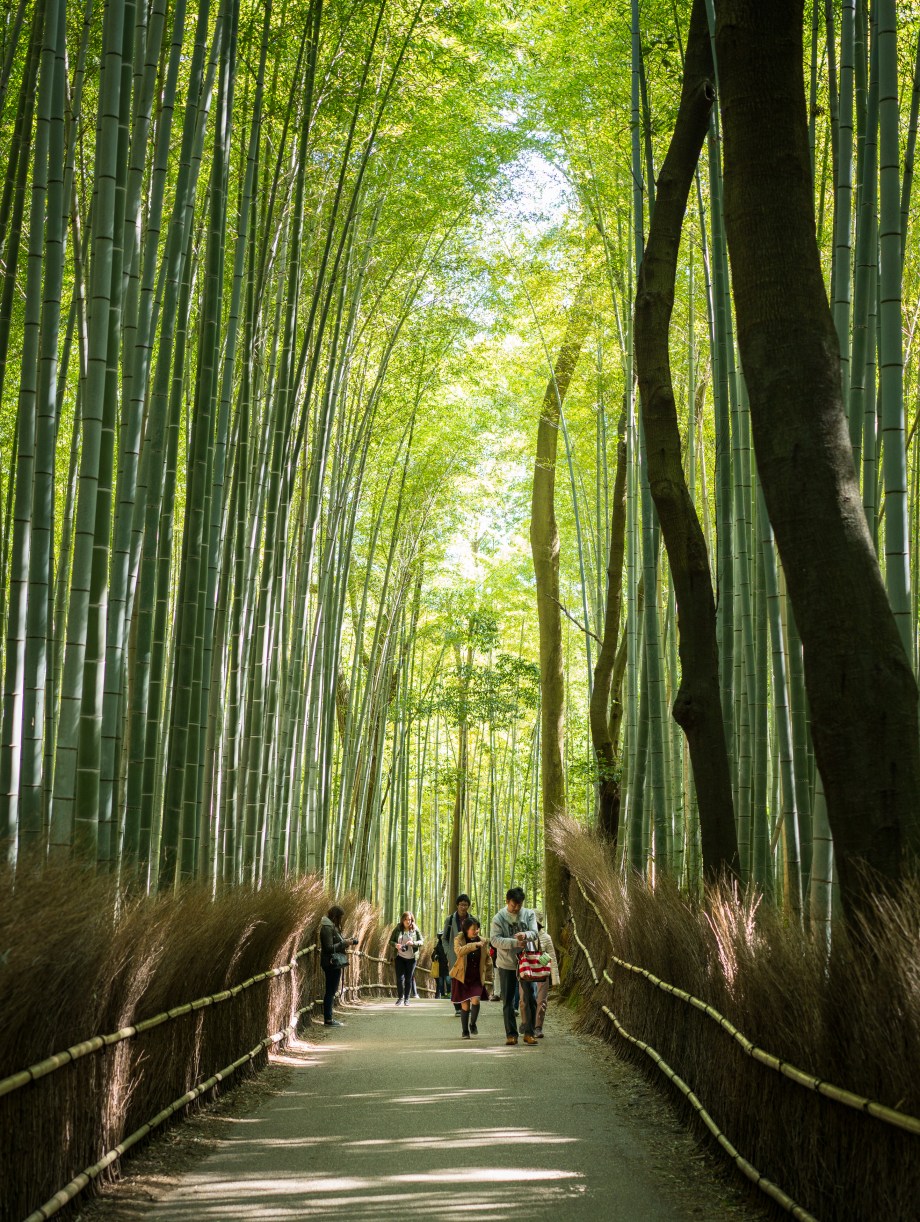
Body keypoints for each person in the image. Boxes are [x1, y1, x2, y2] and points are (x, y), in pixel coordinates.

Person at [490, 886, 538, 1046]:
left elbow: (535, 933)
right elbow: (495, 940)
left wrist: (526, 935)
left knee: (530, 997)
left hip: (526, 962)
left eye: (519, 905)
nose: (516, 908)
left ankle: (529, 1032)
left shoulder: (529, 914)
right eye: (513, 905)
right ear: (507, 901)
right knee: (508, 1000)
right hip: (506, 963)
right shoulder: (499, 918)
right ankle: (511, 1034)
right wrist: (514, 942)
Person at [449, 916, 490, 1039]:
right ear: (467, 929)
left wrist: (487, 970)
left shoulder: (482, 941)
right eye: (474, 928)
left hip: (476, 976)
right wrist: (474, 945)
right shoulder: (459, 939)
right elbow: (459, 952)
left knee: (476, 1000)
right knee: (465, 1005)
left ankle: (473, 1024)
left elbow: (487, 958)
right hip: (463, 976)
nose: (476, 931)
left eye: (478, 928)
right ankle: (465, 1031)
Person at [319, 905, 358, 1028]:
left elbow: (334, 944)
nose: (341, 920)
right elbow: (328, 948)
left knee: (331, 991)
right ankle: (328, 1019)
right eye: (340, 917)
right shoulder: (327, 928)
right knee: (330, 991)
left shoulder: (331, 927)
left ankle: (329, 1018)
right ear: (335, 916)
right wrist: (344, 943)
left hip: (333, 963)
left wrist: (346, 941)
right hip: (330, 963)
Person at [442, 893, 471, 1015]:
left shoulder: (472, 920)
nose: (463, 907)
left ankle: (466, 1006)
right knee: (456, 981)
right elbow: (444, 938)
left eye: (465, 905)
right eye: (461, 905)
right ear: (457, 906)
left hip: (468, 953)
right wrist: (448, 952)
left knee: (467, 981)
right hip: (454, 954)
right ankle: (457, 1007)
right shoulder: (450, 919)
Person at [533, 911, 560, 1039]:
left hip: (543, 972)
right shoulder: (524, 935)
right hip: (527, 972)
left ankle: (538, 1027)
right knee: (526, 999)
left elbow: (552, 958)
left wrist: (555, 980)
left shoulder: (546, 937)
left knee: (541, 1000)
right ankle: (527, 1024)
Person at [390, 911, 423, 1005]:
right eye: (406, 919)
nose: (408, 921)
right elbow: (390, 941)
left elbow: (421, 941)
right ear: (402, 920)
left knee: (408, 979)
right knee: (400, 979)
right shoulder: (398, 928)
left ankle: (407, 999)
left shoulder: (415, 929)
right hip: (399, 957)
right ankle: (400, 997)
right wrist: (396, 945)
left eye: (409, 919)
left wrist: (413, 943)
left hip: (412, 958)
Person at [432, 933, 450, 999]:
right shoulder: (438, 946)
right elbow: (433, 956)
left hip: (447, 966)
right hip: (440, 967)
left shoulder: (449, 945)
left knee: (448, 981)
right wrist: (436, 956)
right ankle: (442, 994)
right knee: (441, 982)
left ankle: (449, 993)